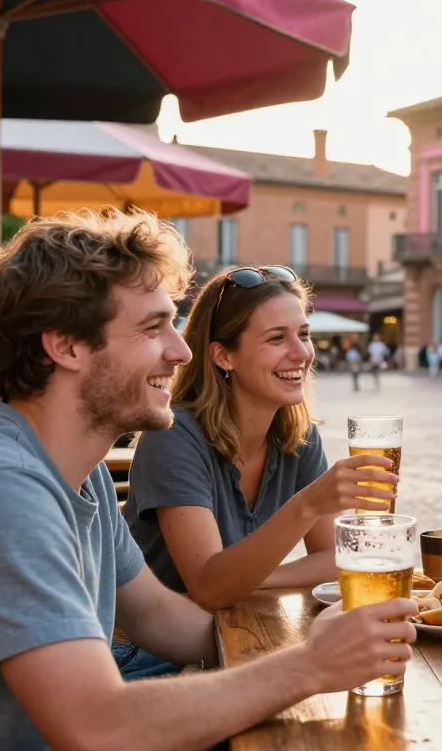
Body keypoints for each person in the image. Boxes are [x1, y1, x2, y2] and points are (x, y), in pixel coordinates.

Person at [0, 210, 417, 750]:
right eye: (151, 327)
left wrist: (308, 642)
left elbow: (165, 619)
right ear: (66, 346)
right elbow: (97, 726)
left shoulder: (77, 475)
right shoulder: (3, 487)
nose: (182, 350)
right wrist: (309, 666)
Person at [123, 265, 398, 622]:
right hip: (152, 654)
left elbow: (335, 558)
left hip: (233, 634)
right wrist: (308, 505)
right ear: (224, 356)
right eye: (276, 338)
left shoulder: (298, 435)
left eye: (304, 334)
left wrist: (253, 580)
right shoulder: (174, 436)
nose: (302, 354)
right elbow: (209, 588)